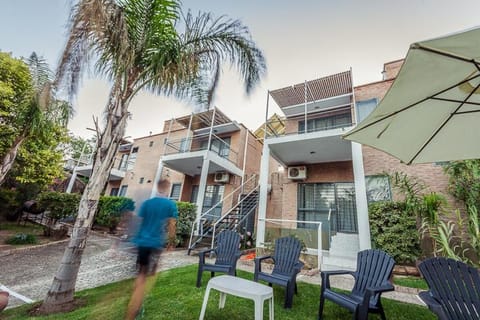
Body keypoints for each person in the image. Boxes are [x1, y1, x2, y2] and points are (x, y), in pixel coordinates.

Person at [125, 179, 178, 320]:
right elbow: (172, 224)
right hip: (155, 243)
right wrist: (171, 242)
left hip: (142, 242)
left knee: (141, 274)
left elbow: (139, 221)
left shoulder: (147, 203)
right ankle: (134, 308)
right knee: (151, 274)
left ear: (157, 187)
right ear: (168, 188)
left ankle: (137, 301)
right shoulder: (170, 204)